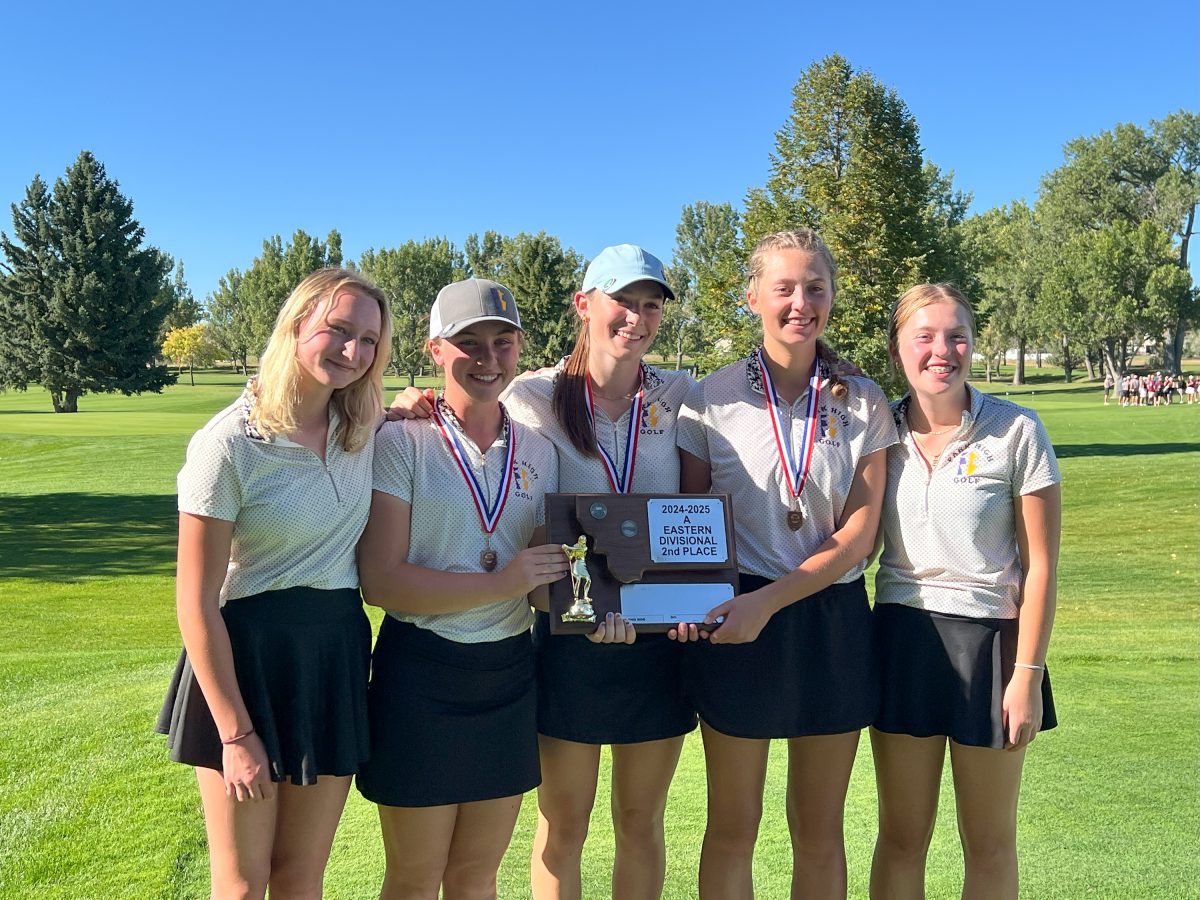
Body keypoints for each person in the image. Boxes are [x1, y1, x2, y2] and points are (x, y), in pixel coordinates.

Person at [388, 245, 695, 900]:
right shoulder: (534, 394)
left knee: (641, 823)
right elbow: (469, 416)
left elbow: (695, 521)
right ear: (585, 306)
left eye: (651, 306)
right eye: (623, 302)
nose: (637, 319)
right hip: (567, 639)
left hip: (657, 645)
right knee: (565, 826)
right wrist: (414, 399)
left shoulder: (682, 395)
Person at [674, 229, 896, 898]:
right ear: (752, 298)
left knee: (819, 828)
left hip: (828, 617)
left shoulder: (862, 400)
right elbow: (692, 526)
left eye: (816, 288)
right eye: (785, 288)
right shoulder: (707, 399)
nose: (802, 302)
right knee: (734, 824)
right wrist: (690, 606)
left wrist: (768, 604)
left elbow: (860, 535)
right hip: (735, 616)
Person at [156, 268, 392, 898]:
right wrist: (235, 733)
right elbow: (196, 601)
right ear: (295, 326)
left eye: (369, 340)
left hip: (333, 659)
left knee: (301, 877)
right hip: (248, 664)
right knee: (241, 882)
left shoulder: (363, 429)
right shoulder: (228, 444)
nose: (354, 352)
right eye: (338, 331)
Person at [354, 278, 573, 899]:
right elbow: (382, 580)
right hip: (421, 675)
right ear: (434, 350)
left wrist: (601, 609)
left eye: (502, 342)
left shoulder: (538, 449)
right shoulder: (403, 440)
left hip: (507, 674)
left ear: (520, 348)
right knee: (416, 877)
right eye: (468, 342)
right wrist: (503, 581)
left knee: (478, 875)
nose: (486, 358)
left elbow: (539, 582)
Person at [870, 283, 1061, 900]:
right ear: (899, 348)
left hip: (992, 648)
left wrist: (1027, 674)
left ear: (973, 344)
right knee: (901, 839)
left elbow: (1040, 569)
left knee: (989, 842)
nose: (941, 350)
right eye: (923, 336)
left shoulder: (1016, 430)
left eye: (956, 336)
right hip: (902, 637)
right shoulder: (876, 431)